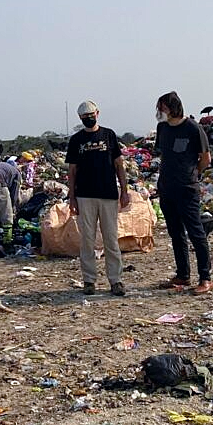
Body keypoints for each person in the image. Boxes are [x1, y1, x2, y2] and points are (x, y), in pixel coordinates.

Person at [66, 100, 129, 296]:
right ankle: (89, 280)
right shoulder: (76, 140)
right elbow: (72, 171)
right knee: (87, 240)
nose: (88, 119)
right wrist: (72, 197)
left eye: (90, 115)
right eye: (84, 117)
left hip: (108, 195)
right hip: (85, 196)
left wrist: (124, 191)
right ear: (80, 118)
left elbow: (119, 165)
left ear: (97, 113)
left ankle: (115, 280)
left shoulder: (108, 135)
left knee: (111, 239)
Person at [155, 91, 213, 294]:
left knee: (196, 233)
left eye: (162, 107)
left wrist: (193, 173)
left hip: (187, 189)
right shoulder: (162, 128)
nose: (159, 112)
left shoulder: (192, 128)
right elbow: (163, 156)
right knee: (175, 233)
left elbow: (205, 158)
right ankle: (182, 274)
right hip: (166, 188)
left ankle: (205, 278)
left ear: (172, 107)